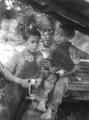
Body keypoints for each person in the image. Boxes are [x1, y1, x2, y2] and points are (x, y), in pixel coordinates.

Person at [40, 23, 81, 120]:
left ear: (69, 37)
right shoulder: (53, 46)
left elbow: (76, 67)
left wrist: (67, 73)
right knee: (50, 80)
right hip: (56, 71)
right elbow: (49, 60)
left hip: (67, 73)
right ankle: (43, 100)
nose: (57, 37)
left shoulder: (72, 49)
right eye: (57, 33)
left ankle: (51, 110)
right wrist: (50, 67)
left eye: (61, 35)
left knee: (60, 84)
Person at [0, 29, 43, 120]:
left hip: (27, 94)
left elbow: (41, 72)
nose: (35, 45)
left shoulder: (39, 56)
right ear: (25, 42)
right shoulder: (18, 56)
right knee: (7, 116)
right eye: (32, 42)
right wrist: (20, 81)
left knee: (20, 115)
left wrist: (40, 79)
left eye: (37, 42)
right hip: (13, 93)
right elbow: (6, 73)